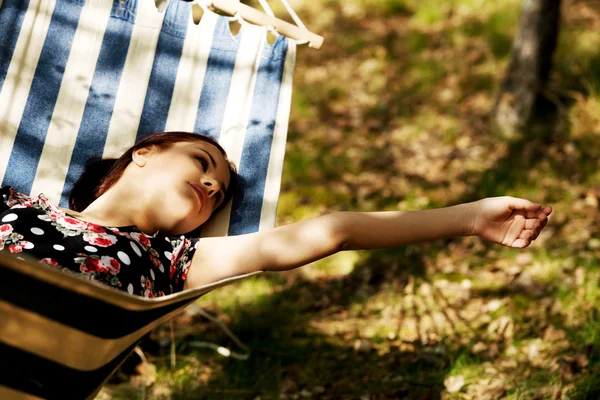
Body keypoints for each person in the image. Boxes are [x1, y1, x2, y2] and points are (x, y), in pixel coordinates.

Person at [0, 131, 552, 297]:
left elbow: (334, 231)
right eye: (201, 163)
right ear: (143, 153)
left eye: (218, 194)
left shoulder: (172, 260)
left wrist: (470, 216)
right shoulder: (16, 204)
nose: (213, 185)